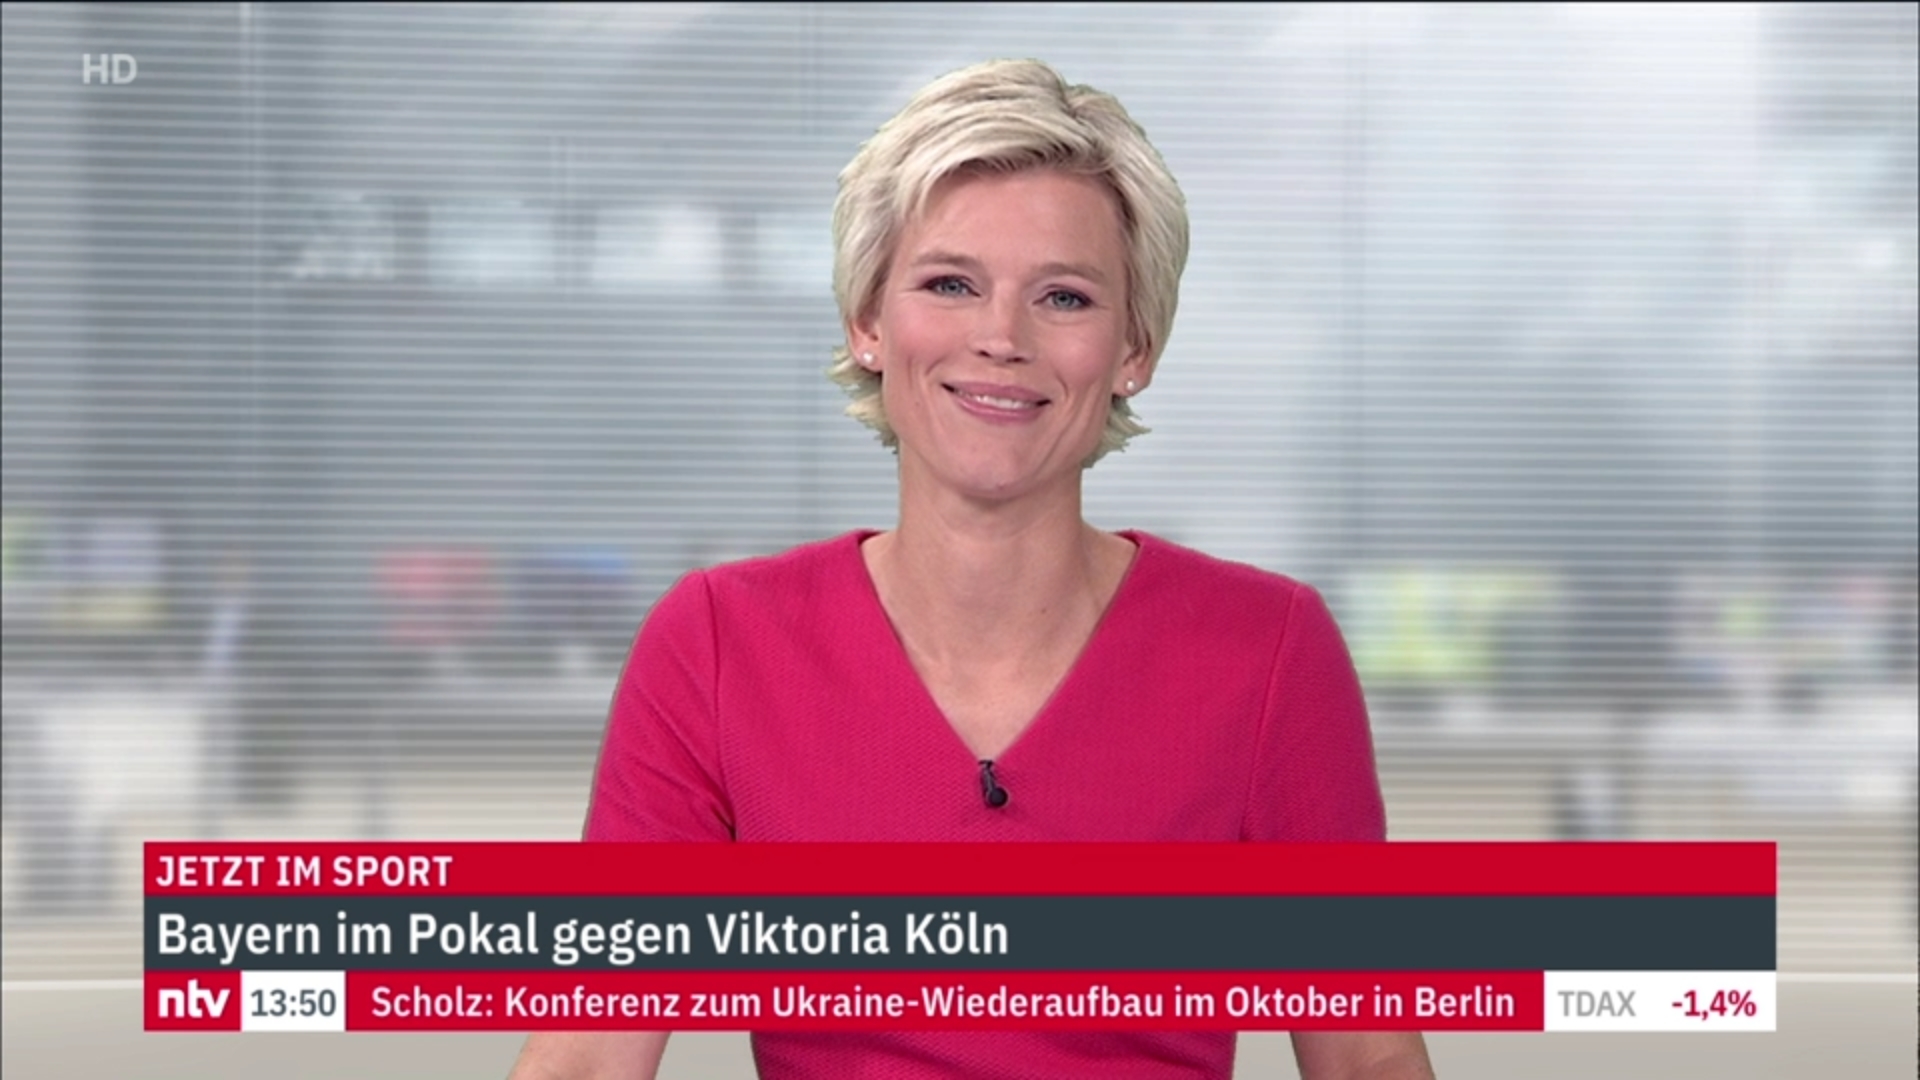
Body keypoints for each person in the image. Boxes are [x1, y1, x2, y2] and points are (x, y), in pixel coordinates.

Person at [510, 58, 1435, 1080]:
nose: (1000, 338)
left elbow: (1368, 1057)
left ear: (1134, 350)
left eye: (1064, 296)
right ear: (869, 322)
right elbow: (589, 1052)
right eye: (950, 284)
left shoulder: (1267, 653)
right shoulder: (718, 643)